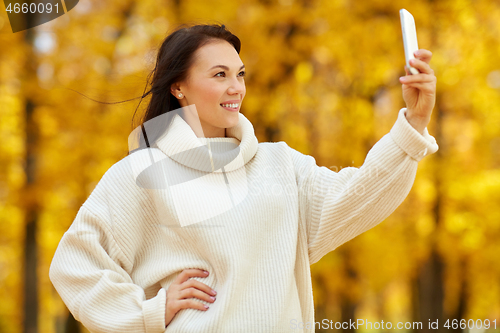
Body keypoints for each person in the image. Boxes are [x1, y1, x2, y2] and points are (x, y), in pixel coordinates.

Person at [49, 23, 438, 332]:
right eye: (220, 75)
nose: (236, 88)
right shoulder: (140, 174)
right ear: (179, 87)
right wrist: (151, 311)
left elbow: (358, 194)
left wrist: (414, 124)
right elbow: (74, 266)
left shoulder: (280, 164)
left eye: (240, 74)